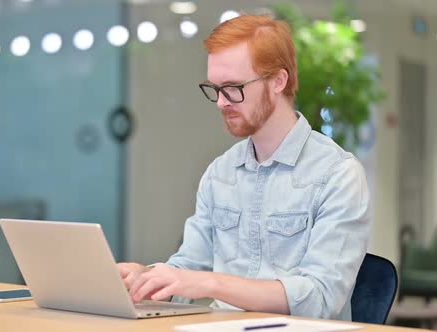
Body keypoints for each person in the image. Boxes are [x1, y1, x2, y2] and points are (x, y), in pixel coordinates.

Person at [118, 14, 370, 321]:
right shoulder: (220, 174)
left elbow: (320, 299)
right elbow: (190, 269)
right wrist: (147, 278)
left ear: (279, 81)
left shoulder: (338, 174)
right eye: (215, 88)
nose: (221, 102)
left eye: (233, 87)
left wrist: (212, 282)